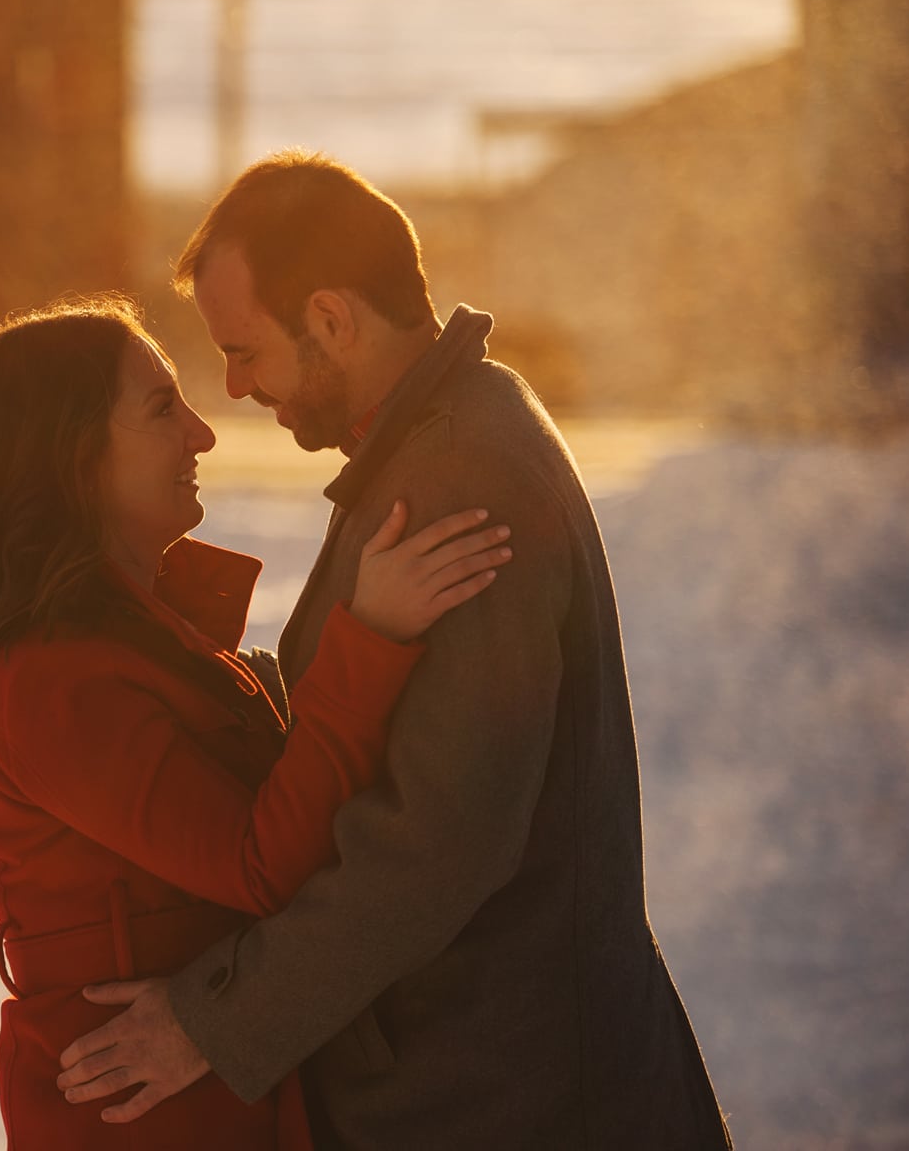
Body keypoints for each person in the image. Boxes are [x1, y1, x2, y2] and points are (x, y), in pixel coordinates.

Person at [53, 151, 732, 1148]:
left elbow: (432, 842)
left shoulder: (457, 478)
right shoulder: (431, 439)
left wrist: (213, 1020)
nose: (235, 388)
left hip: (511, 1099)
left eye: (244, 351)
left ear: (329, 318)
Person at [0, 296, 514, 1147]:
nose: (203, 433)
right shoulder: (49, 681)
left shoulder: (132, 641)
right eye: (163, 407)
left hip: (209, 1097)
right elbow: (258, 863)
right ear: (72, 454)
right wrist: (369, 640)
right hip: (146, 1116)